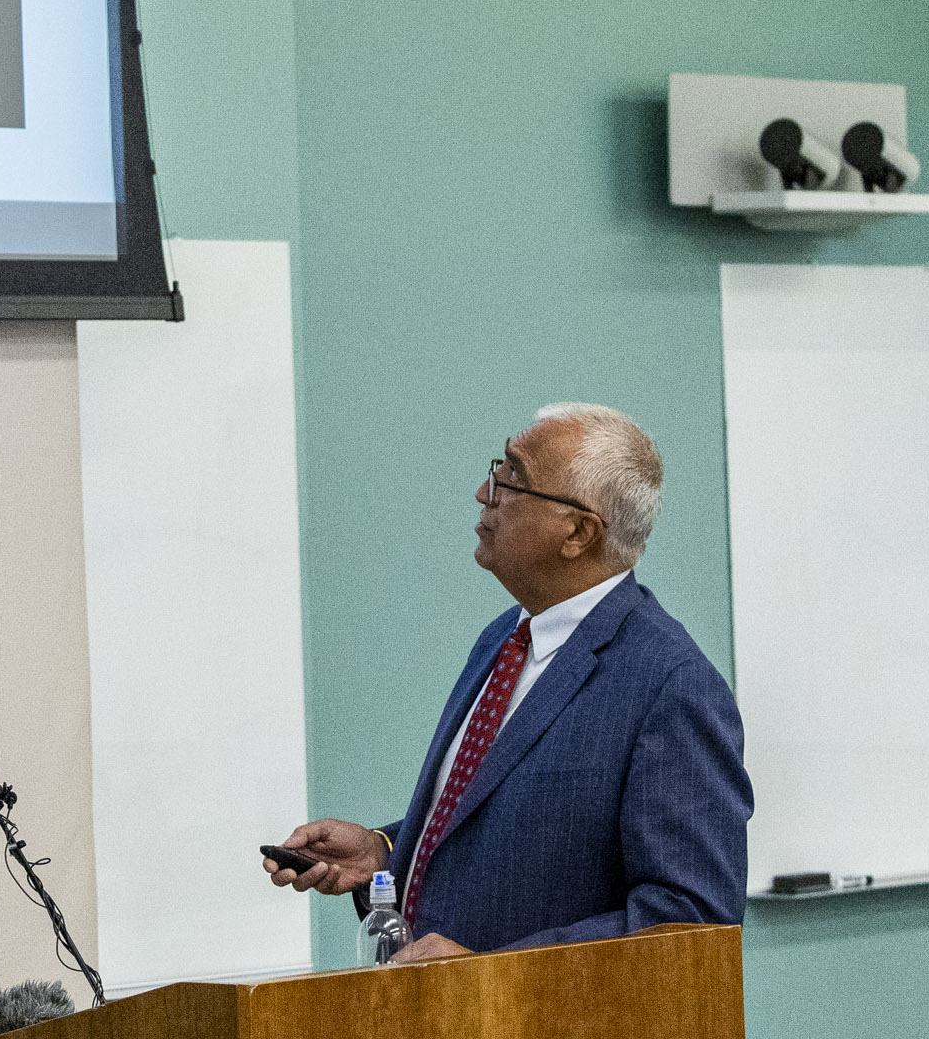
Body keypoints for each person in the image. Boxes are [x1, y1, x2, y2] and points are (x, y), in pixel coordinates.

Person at [268, 403, 751, 962]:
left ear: (577, 532)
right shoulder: (505, 637)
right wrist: (384, 852)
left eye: (512, 478)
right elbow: (506, 825)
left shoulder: (671, 684)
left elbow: (691, 922)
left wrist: (494, 974)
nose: (484, 491)